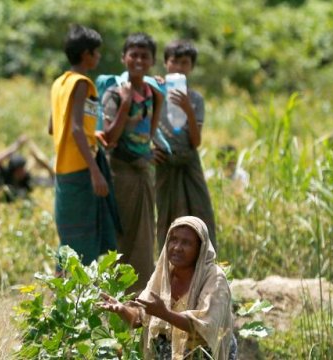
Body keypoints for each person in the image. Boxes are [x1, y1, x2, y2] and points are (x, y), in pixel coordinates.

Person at [99, 216, 236, 360]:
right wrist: (122, 309)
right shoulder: (163, 274)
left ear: (200, 248)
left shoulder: (214, 278)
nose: (177, 247)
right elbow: (140, 316)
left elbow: (205, 326)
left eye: (186, 243)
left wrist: (165, 314)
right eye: (173, 240)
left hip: (203, 353)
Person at [48, 24, 121, 265]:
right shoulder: (81, 84)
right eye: (96, 52)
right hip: (80, 169)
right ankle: (77, 297)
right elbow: (77, 128)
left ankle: (64, 295)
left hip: (63, 169)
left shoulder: (59, 83)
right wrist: (95, 170)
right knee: (83, 239)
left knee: (69, 237)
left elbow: (53, 126)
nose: (99, 56)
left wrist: (93, 135)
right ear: (86, 54)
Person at [100, 32, 164, 291]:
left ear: (152, 60)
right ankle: (118, 298)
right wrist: (125, 104)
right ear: (123, 58)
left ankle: (140, 298)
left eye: (144, 56)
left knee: (144, 238)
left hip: (142, 173)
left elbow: (151, 132)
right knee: (122, 238)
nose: (138, 60)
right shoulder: (115, 95)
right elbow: (109, 139)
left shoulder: (153, 93)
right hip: (121, 174)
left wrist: (147, 154)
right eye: (133, 55)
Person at [153, 40, 217, 249]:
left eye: (185, 63)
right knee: (166, 216)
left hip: (189, 162)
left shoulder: (195, 99)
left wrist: (188, 109)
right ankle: (168, 270)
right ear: (165, 62)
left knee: (200, 214)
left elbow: (195, 141)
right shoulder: (154, 90)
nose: (179, 67)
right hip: (163, 161)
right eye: (174, 62)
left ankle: (203, 269)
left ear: (191, 67)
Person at [0, 135, 54, 203]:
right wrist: (16, 145)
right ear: (14, 170)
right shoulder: (2, 176)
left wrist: (44, 163)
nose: (23, 171)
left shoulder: (26, 180)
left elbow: (51, 181)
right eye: (20, 170)